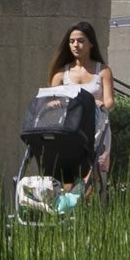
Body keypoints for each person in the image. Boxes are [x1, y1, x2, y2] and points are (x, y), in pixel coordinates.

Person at [47, 21, 113, 174]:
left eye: (81, 41)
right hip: (69, 130)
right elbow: (50, 101)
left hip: (97, 129)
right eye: (72, 41)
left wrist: (99, 104)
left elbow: (110, 101)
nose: (75, 45)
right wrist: (54, 103)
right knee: (69, 175)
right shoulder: (60, 74)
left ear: (91, 44)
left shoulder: (102, 71)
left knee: (94, 174)